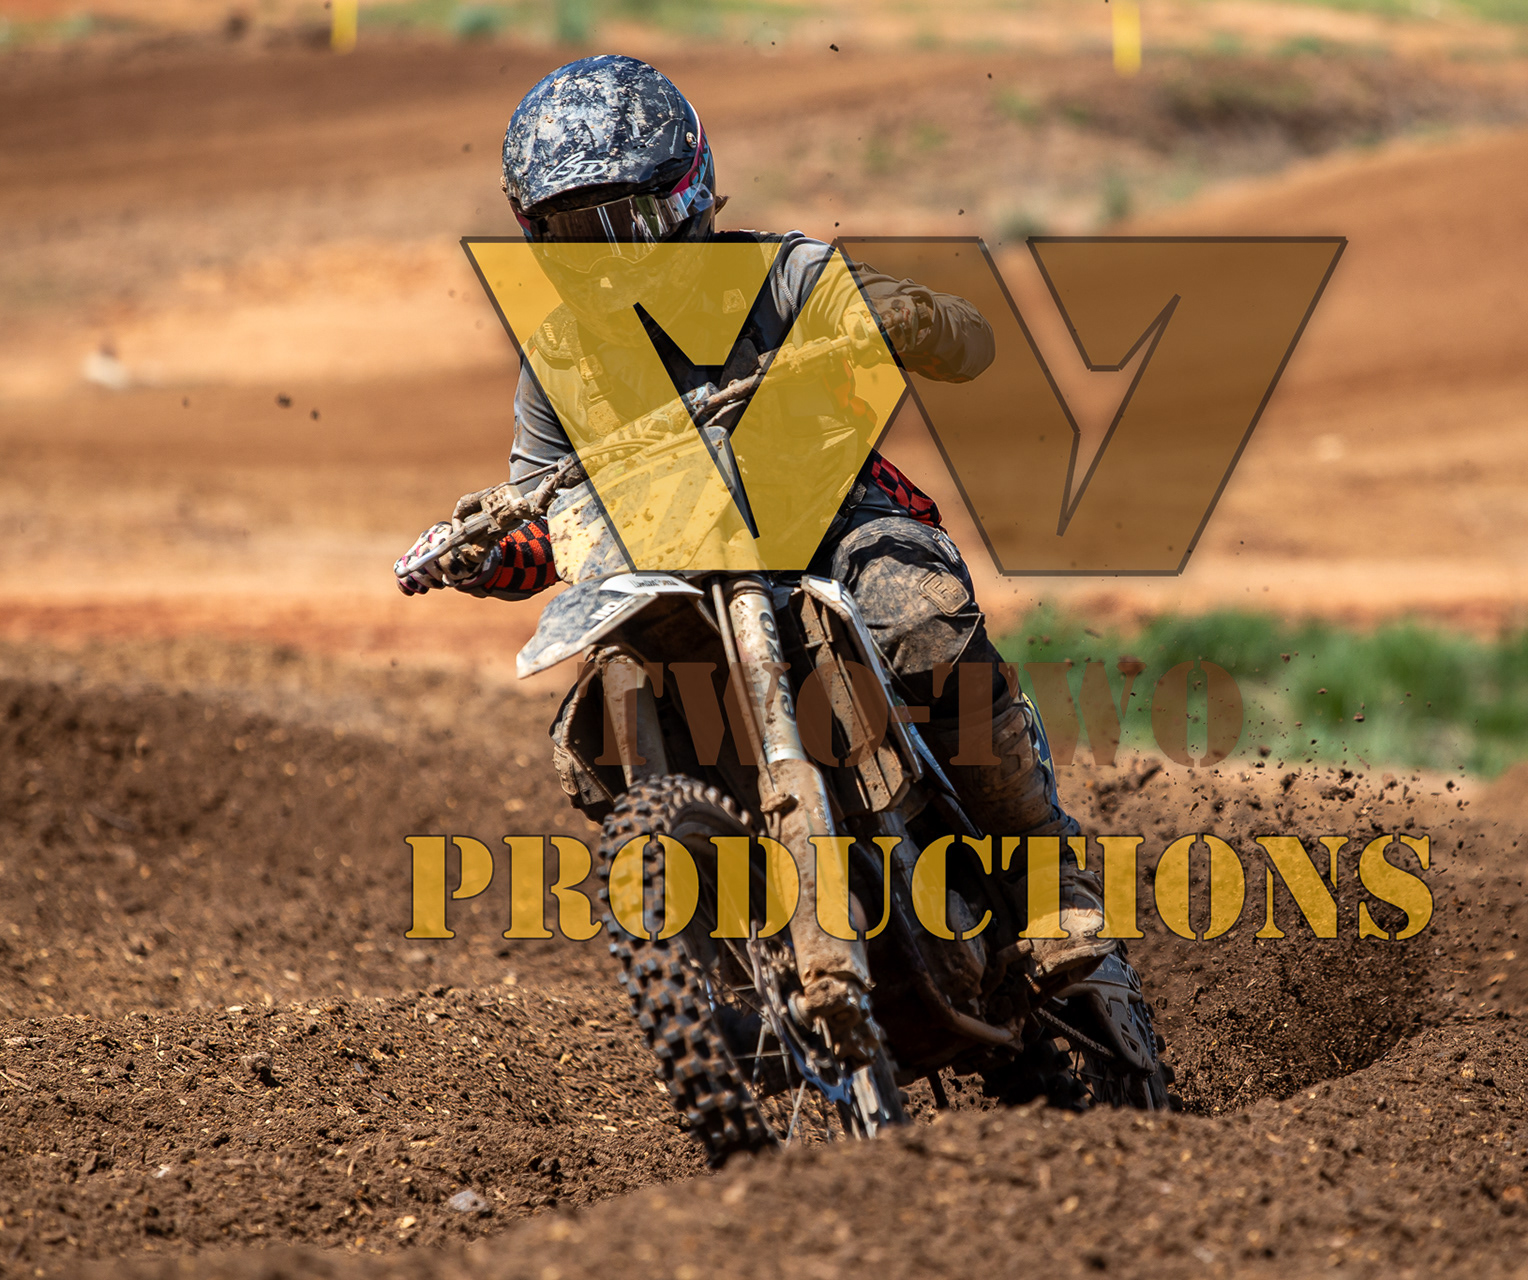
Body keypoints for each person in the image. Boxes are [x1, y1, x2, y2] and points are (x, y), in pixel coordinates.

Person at [393, 55, 1112, 986]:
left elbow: (966, 341)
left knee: (920, 624)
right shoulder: (559, 360)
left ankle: (1047, 878)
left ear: (686, 195)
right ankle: (724, 954)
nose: (602, 256)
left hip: (834, 531)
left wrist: (901, 317)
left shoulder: (780, 273)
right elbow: (547, 512)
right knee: (596, 735)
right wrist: (489, 556)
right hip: (672, 570)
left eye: (623, 223)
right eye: (573, 233)